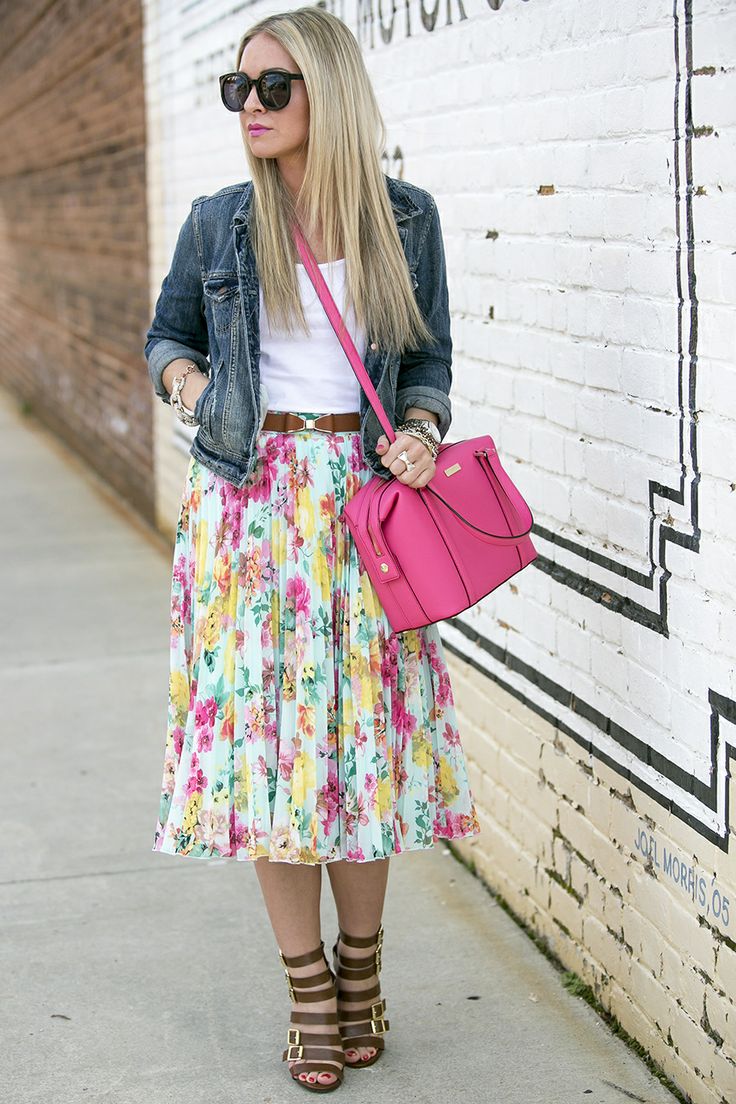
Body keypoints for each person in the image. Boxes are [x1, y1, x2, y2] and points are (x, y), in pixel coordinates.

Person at [144, 6, 481, 1093]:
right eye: (238, 90)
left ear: (325, 94)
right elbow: (168, 339)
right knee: (272, 763)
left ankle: (363, 969)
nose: (251, 109)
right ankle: (307, 992)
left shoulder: (405, 219)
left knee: (358, 757)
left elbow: (423, 359)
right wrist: (193, 392)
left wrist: (421, 434)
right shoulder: (218, 224)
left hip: (365, 516)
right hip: (248, 511)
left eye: (273, 88)